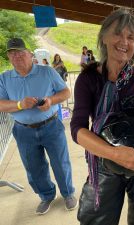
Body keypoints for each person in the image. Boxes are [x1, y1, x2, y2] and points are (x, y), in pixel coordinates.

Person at [70, 9, 134, 225]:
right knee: (97, 220)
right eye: (118, 34)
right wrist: (115, 154)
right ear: (104, 37)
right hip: (104, 161)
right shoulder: (89, 79)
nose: (124, 42)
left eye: (131, 37)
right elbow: (78, 129)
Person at [0, 38, 78, 215]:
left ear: (30, 54)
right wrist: (20, 105)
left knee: (60, 162)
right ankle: (46, 196)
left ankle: (68, 193)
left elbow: (65, 92)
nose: (17, 56)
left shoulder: (47, 72)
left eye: (20, 52)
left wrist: (51, 100)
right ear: (9, 57)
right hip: (23, 130)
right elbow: (0, 104)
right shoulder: (4, 78)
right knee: (34, 167)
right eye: (12, 53)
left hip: (51, 126)